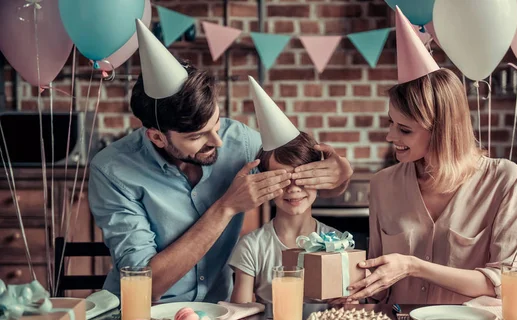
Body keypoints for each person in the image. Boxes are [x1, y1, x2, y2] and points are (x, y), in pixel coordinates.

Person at [88, 20, 352, 303]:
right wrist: (226, 207)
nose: (218, 141)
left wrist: (340, 175)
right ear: (157, 137)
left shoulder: (241, 141)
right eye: (198, 136)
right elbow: (143, 285)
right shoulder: (112, 170)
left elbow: (305, 182)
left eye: (216, 123)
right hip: (141, 314)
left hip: (219, 316)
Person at [347, 8, 517, 304]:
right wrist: (354, 290)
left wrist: (413, 266)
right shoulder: (382, 185)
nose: (390, 136)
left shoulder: (503, 180)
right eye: (390, 123)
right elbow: (379, 287)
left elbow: (503, 283)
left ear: (441, 131)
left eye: (405, 130)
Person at [228, 78, 339, 303]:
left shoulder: (336, 242)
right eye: (281, 178)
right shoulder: (252, 246)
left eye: (302, 176)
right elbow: (241, 314)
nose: (293, 188)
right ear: (264, 182)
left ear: (318, 177)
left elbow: (347, 310)